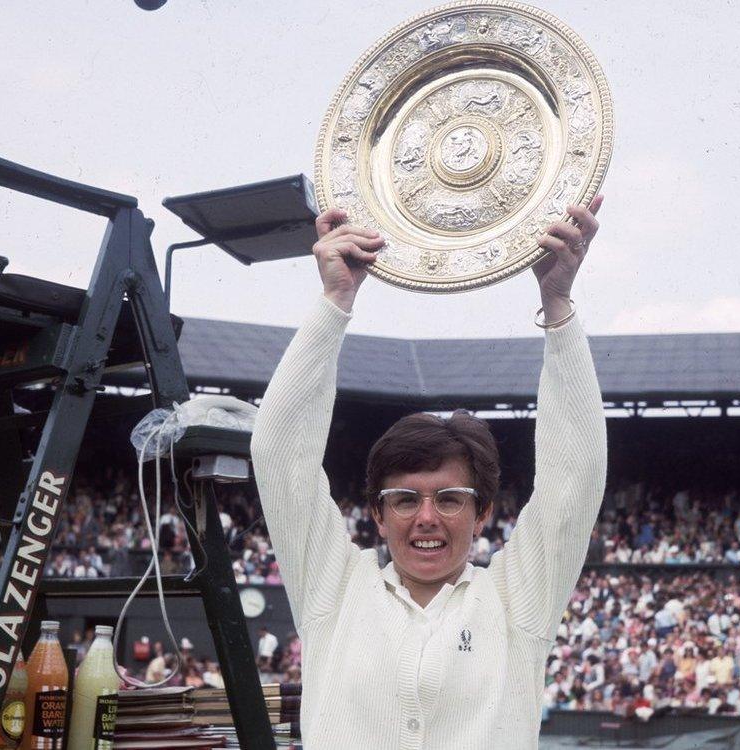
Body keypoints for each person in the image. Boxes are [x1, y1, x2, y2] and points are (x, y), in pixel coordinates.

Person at [251, 197, 607, 748]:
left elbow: (574, 478)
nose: (425, 518)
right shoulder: (333, 589)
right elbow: (278, 453)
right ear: (377, 512)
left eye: (449, 498)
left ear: (482, 510)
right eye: (404, 499)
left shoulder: (518, 598)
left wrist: (557, 305)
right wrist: (335, 301)